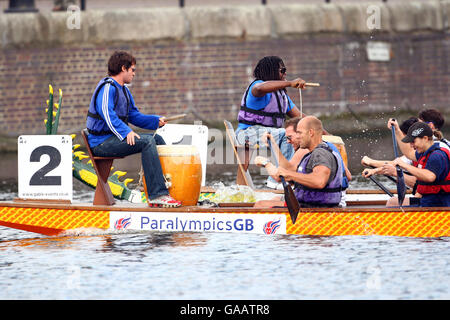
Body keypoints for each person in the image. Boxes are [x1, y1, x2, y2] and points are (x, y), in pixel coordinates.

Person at [85, 51, 181, 207]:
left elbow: (134, 116)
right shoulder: (108, 87)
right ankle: (157, 195)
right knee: (148, 141)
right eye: (133, 70)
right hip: (100, 144)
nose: (134, 74)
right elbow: (108, 115)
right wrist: (126, 132)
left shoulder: (125, 91)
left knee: (156, 139)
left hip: (113, 139)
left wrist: (156, 121)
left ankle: (169, 188)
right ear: (124, 68)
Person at [235, 56, 308, 189]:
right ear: (272, 71)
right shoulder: (257, 86)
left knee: (298, 136)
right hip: (247, 134)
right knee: (286, 135)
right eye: (282, 70)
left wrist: (322, 133)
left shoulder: (281, 96)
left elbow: (303, 118)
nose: (285, 73)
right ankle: (277, 180)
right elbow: (260, 88)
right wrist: (290, 83)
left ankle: (294, 177)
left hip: (269, 135)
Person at [254, 116, 344, 208]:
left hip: (315, 210)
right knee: (273, 200)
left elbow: (319, 181)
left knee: (259, 205)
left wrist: (288, 174)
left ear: (311, 133)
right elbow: (295, 177)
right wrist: (272, 144)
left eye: (300, 133)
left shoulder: (320, 154)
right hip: (308, 205)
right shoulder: (312, 153)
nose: (298, 136)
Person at [391, 122, 450, 207]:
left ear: (425, 138)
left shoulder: (436, 156)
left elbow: (429, 176)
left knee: (393, 204)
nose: (411, 145)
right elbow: (408, 152)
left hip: (438, 205)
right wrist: (397, 130)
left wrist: (404, 165)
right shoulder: (425, 152)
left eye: (413, 141)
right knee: (392, 201)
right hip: (428, 200)